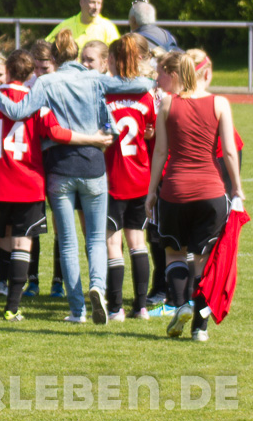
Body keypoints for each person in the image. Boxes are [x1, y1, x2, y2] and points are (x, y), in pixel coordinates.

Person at [0, 29, 153, 325]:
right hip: (93, 166)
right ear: (77, 55)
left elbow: (19, 111)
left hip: (60, 168)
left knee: (67, 242)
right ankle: (97, 286)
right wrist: (149, 77)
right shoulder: (95, 79)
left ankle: (77, 310)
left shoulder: (47, 81)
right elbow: (138, 85)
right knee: (96, 239)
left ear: (54, 57)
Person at [146, 50, 243, 342]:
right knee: (202, 262)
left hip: (175, 191)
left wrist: (151, 192)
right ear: (203, 73)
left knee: (175, 253)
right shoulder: (220, 103)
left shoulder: (167, 103)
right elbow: (229, 151)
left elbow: (160, 152)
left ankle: (181, 305)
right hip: (211, 192)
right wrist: (237, 188)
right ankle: (200, 328)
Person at [104, 36, 157, 321]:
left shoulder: (104, 95)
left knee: (113, 244)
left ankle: (116, 308)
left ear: (112, 60)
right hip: (140, 177)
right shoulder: (146, 96)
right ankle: (141, 306)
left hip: (112, 178)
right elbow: (153, 131)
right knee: (138, 242)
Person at [46, 0, 120, 51]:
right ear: (82, 2)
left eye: (99, 3)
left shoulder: (108, 27)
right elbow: (46, 46)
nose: (96, 7)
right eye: (92, 2)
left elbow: (117, 52)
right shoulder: (66, 25)